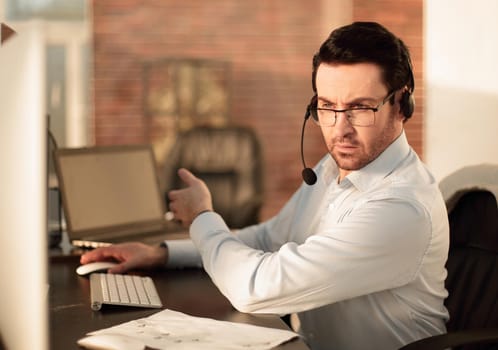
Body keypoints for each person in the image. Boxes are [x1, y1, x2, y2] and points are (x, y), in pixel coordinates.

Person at [81, 22, 450, 350]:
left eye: (360, 108)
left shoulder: (400, 207)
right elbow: (268, 237)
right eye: (327, 107)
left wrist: (201, 216)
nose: (340, 129)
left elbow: (256, 288)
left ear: (402, 104)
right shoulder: (334, 166)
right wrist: (164, 254)